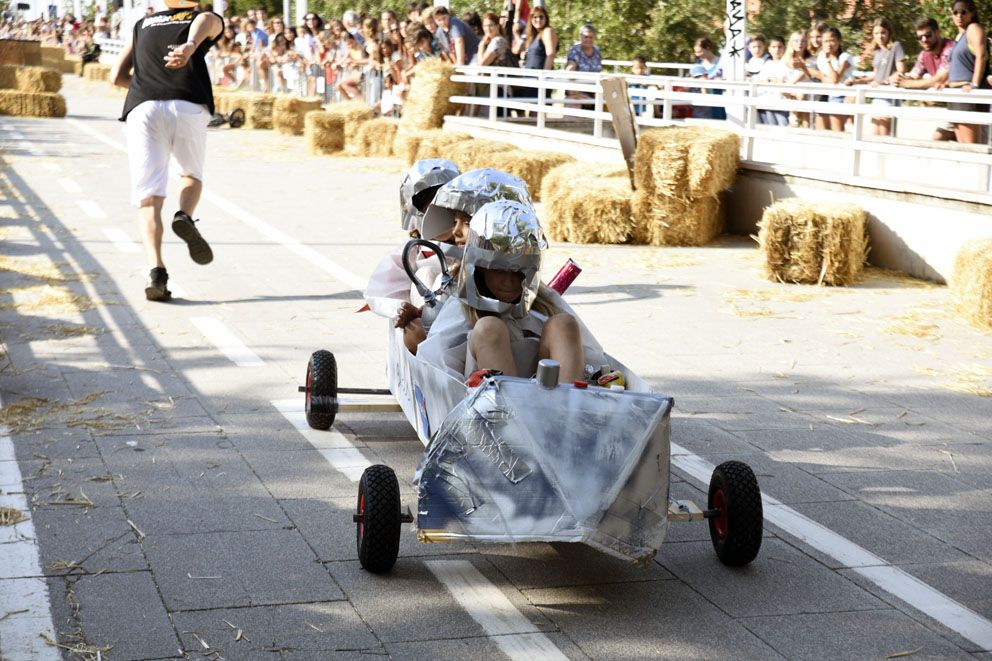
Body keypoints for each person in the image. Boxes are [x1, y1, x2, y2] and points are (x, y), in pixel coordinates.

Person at [110, 0, 223, 301]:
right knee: (190, 175)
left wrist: (149, 85)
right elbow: (208, 21)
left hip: (143, 107)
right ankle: (184, 215)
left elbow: (116, 77)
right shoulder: (202, 17)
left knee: (149, 196)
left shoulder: (141, 25)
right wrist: (189, 46)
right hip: (187, 103)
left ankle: (156, 271)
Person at [418, 199, 593, 385]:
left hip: (550, 404)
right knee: (489, 328)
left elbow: (594, 360)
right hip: (487, 406)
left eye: (518, 271)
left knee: (564, 323)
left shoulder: (546, 301)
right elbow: (434, 370)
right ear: (480, 267)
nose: (509, 281)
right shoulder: (459, 309)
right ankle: (510, 411)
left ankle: (568, 409)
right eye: (499, 269)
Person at [892, 17, 955, 140]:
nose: (924, 40)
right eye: (920, 37)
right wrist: (898, 78)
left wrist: (907, 83)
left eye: (928, 35)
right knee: (937, 140)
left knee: (980, 150)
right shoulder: (924, 55)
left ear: (937, 32)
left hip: (975, 103)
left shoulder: (950, 48)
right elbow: (913, 76)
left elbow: (939, 79)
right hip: (955, 108)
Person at [849, 18, 906, 136]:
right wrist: (856, 82)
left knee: (885, 135)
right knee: (874, 135)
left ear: (889, 32)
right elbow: (875, 76)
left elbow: (901, 71)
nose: (880, 36)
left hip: (889, 96)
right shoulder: (877, 53)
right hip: (877, 96)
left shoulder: (896, 47)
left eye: (883, 32)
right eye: (876, 33)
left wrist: (883, 83)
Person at [946, 0, 989, 143]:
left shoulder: (974, 28)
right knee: (962, 148)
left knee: (972, 148)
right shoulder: (959, 36)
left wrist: (974, 84)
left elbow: (982, 55)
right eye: (955, 12)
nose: (959, 15)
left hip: (967, 96)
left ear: (972, 13)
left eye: (963, 12)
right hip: (956, 95)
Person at [816, 27, 854, 132]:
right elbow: (823, 78)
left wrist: (828, 60)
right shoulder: (821, 57)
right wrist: (831, 79)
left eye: (832, 40)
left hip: (845, 96)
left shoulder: (845, 57)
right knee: (833, 131)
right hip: (833, 94)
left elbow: (835, 78)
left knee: (842, 131)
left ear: (839, 41)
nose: (829, 44)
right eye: (825, 41)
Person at [754, 35, 791, 126]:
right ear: (769, 49)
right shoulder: (767, 64)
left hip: (781, 103)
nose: (777, 50)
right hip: (765, 102)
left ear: (784, 48)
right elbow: (760, 80)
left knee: (782, 126)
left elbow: (783, 80)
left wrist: (770, 80)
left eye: (780, 47)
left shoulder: (787, 63)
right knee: (767, 127)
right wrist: (771, 80)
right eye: (774, 47)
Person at [691, 37, 726, 120]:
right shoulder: (698, 64)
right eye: (696, 52)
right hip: (703, 103)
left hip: (717, 99)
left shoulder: (720, 63)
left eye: (700, 51)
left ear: (707, 48)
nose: (697, 54)